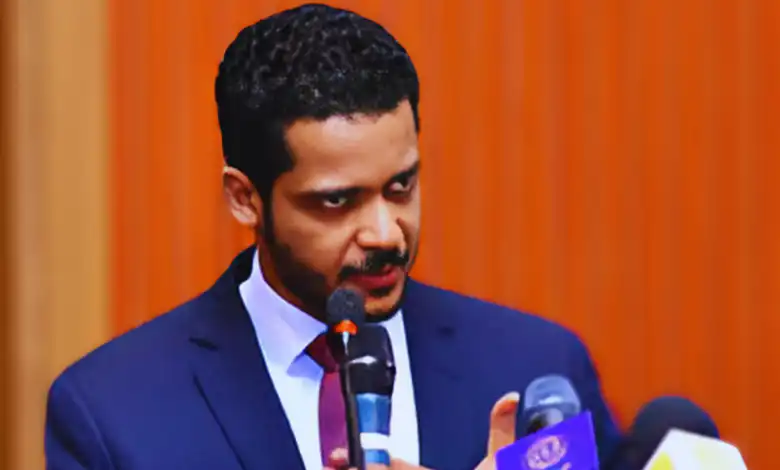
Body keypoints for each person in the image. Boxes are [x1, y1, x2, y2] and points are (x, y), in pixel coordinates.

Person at [44, 4, 626, 470]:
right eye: (336, 201)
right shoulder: (114, 414)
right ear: (245, 198)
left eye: (401, 187)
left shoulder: (536, 371)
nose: (385, 233)